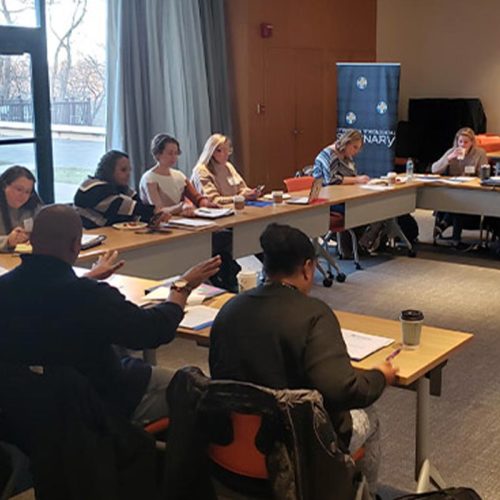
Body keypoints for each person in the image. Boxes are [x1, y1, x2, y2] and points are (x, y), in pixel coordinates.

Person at [209, 223, 398, 494]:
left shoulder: (229, 309)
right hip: (299, 451)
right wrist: (381, 376)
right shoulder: (314, 315)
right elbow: (343, 390)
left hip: (230, 447)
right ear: (308, 268)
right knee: (370, 416)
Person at [0, 204, 221, 423]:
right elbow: (153, 331)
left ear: (31, 240)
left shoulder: (6, 287)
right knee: (201, 392)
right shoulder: (90, 296)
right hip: (98, 405)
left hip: (23, 409)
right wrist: (182, 287)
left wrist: (88, 278)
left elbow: (48, 296)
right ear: (76, 245)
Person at [313, 130, 379, 254]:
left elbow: (351, 175)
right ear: (346, 143)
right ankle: (350, 247)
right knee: (360, 209)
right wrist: (357, 179)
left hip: (343, 196)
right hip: (327, 200)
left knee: (369, 207)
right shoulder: (330, 155)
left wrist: (359, 180)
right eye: (355, 147)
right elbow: (331, 180)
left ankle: (358, 244)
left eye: (358, 148)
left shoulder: (347, 156)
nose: (356, 151)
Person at [74, 150, 169, 229]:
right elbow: (121, 206)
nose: (128, 174)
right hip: (85, 236)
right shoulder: (91, 187)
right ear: (109, 171)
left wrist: (154, 218)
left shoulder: (122, 188)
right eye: (123, 170)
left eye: (129, 170)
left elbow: (137, 210)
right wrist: (153, 211)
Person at [431, 128, 488, 246]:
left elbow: (483, 175)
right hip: (454, 189)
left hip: (472, 191)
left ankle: (445, 223)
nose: (462, 145)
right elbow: (434, 169)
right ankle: (454, 237)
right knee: (456, 200)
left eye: (466, 142)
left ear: (472, 142)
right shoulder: (452, 151)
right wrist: (448, 159)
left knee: (460, 202)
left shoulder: (479, 153)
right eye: (460, 141)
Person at [140, 133, 217, 216]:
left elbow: (196, 198)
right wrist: (181, 206)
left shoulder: (179, 175)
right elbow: (158, 210)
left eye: (176, 153)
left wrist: (205, 203)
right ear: (158, 154)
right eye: (170, 153)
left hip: (180, 220)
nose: (174, 157)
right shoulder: (149, 179)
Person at [191, 134, 262, 204]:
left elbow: (242, 188)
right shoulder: (202, 171)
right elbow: (213, 200)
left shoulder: (228, 166)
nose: (226, 154)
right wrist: (239, 198)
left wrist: (251, 193)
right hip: (216, 209)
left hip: (234, 207)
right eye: (220, 150)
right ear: (211, 152)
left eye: (227, 150)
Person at [0, 166, 42, 253]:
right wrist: (7, 241)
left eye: (27, 192)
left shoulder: (34, 208)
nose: (23, 196)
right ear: (4, 186)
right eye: (19, 189)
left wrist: (36, 239)